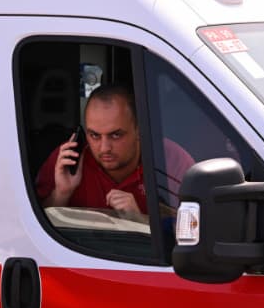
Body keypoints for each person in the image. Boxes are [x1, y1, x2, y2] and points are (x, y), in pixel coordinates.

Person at [35, 84, 193, 220]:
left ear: (140, 130)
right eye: (95, 135)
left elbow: (195, 235)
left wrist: (138, 221)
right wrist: (61, 193)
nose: (104, 148)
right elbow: (31, 231)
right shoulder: (69, 160)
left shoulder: (170, 160)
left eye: (116, 135)